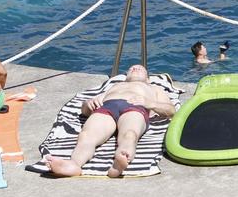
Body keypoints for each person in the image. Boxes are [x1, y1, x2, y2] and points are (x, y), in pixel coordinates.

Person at [39, 64, 177, 177]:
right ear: (126, 76)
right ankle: (74, 164)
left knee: (129, 134)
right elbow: (85, 111)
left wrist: (150, 103)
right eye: (131, 68)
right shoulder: (114, 86)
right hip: (108, 107)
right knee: (86, 136)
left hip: (136, 107)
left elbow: (171, 110)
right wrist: (88, 104)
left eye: (140, 68)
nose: (135, 68)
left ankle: (121, 159)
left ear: (148, 79)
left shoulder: (153, 88)